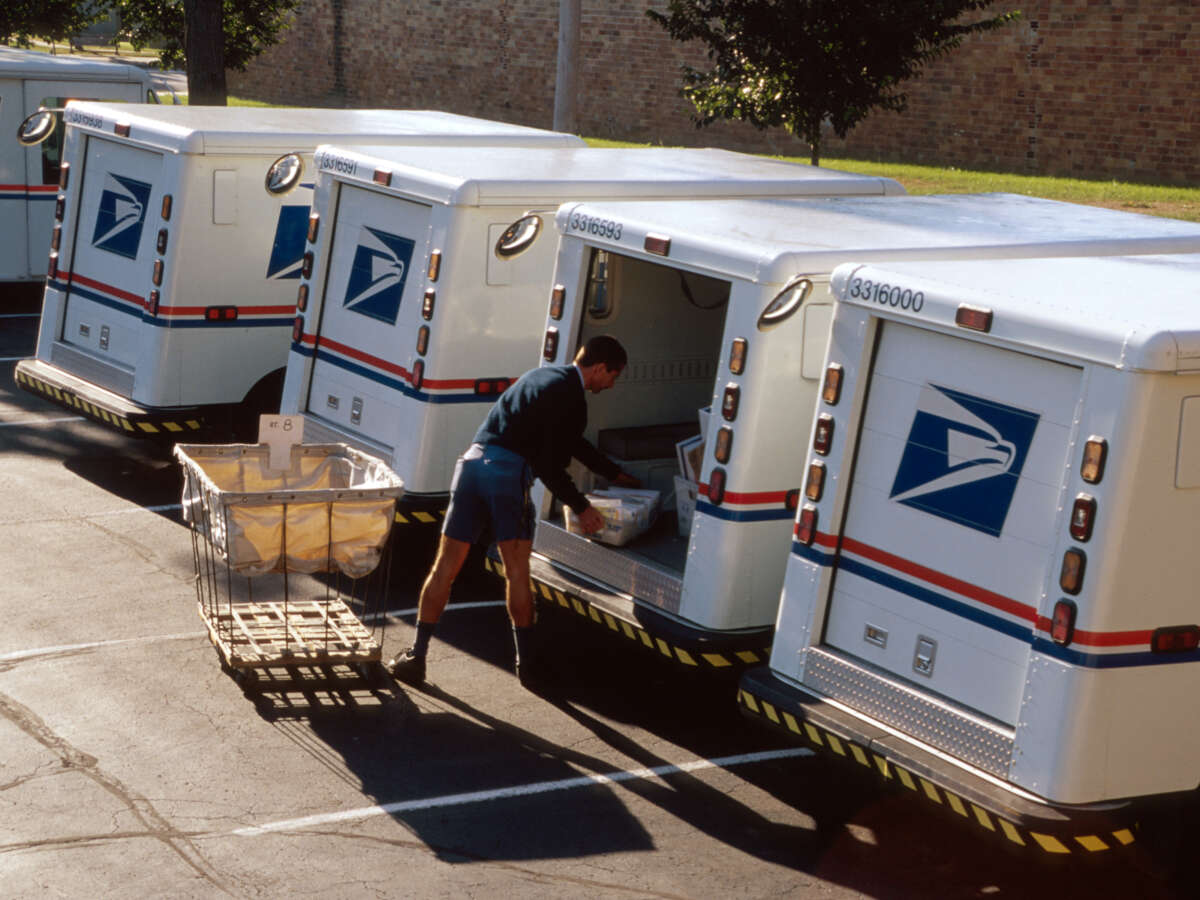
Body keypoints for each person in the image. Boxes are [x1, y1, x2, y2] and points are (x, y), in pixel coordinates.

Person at [387, 335, 640, 688]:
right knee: (516, 573)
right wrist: (581, 508)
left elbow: (572, 442)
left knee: (445, 567)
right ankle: (529, 667)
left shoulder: (538, 377)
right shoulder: (572, 398)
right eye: (613, 376)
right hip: (506, 475)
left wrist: (613, 473)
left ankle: (416, 655)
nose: (612, 384)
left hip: (472, 465)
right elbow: (550, 465)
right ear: (598, 368)